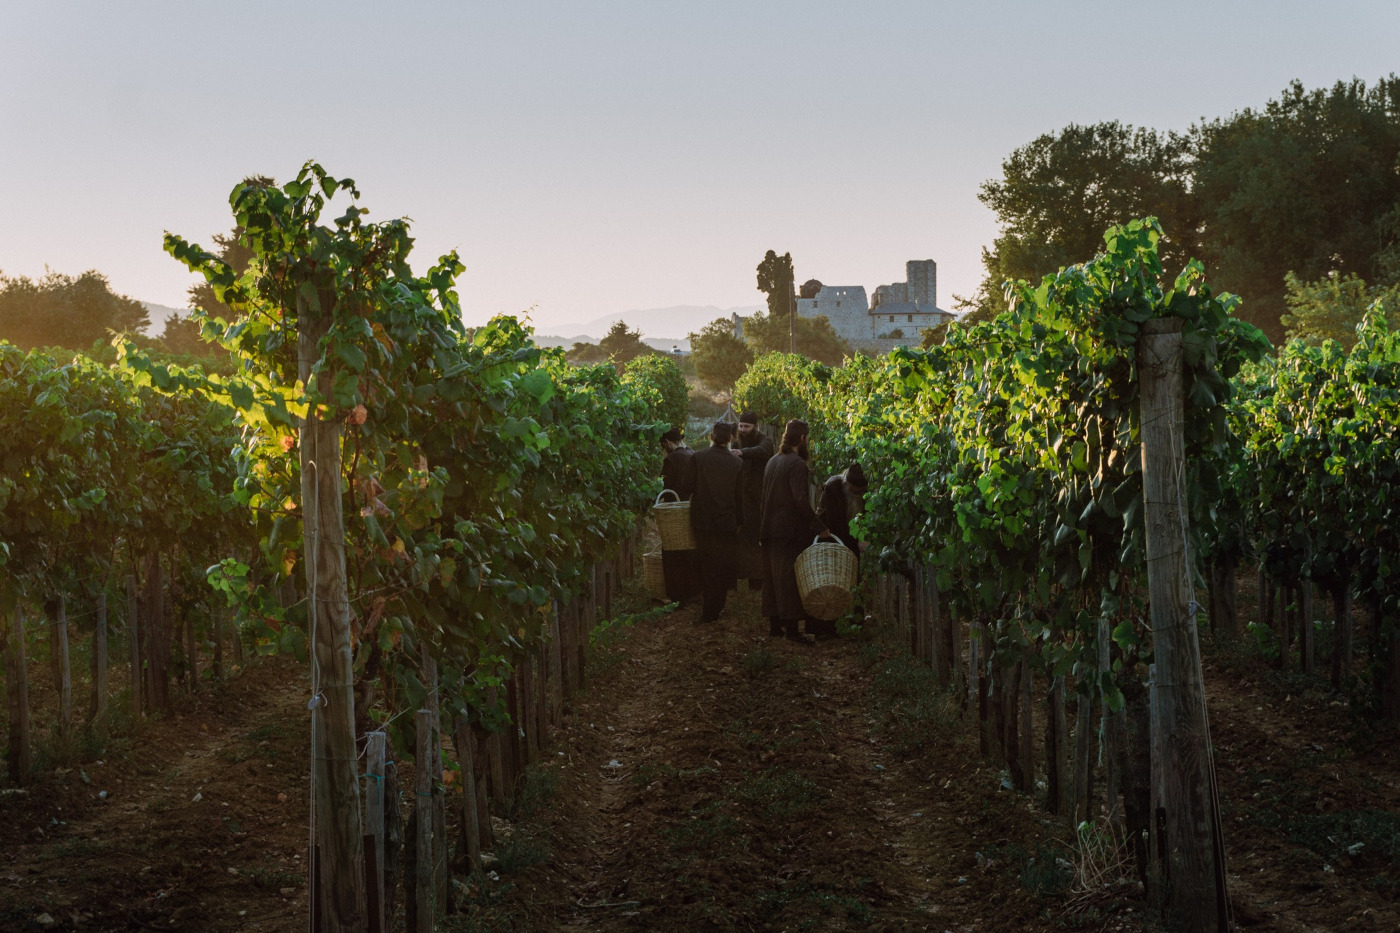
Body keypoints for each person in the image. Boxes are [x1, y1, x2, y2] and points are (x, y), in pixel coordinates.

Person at [758, 420, 832, 642]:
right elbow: (800, 500)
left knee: (772, 578)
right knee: (789, 579)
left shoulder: (773, 461)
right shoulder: (797, 464)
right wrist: (819, 527)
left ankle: (774, 626)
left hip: (769, 528)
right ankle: (791, 630)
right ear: (802, 439)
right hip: (787, 530)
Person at [690, 421, 744, 622]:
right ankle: (716, 606)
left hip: (701, 521)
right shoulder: (737, 463)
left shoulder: (698, 457)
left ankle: (707, 606)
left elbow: (689, 486)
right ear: (730, 439)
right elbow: (739, 498)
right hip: (725, 523)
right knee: (721, 565)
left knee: (705, 562)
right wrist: (740, 522)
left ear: (711, 437)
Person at [817, 463, 869, 625]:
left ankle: (856, 621)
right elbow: (834, 522)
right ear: (847, 485)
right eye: (855, 491)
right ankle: (829, 623)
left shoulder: (863, 493)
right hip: (831, 539)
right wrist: (855, 539)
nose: (859, 494)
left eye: (861, 492)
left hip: (851, 538)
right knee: (833, 580)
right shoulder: (833, 487)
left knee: (854, 578)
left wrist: (863, 536)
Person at [730, 412, 774, 590]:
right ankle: (743, 574)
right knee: (742, 539)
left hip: (760, 501)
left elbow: (763, 451)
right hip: (741, 500)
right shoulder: (736, 442)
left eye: (746, 426)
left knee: (758, 539)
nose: (743, 429)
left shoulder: (765, 441)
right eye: (741, 426)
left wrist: (742, 452)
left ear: (756, 427)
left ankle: (757, 579)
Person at [659, 428, 698, 602]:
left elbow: (667, 490)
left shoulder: (671, 459)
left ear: (667, 442)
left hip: (675, 511)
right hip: (692, 508)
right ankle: (693, 590)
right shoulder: (692, 454)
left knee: (672, 551)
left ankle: (677, 594)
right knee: (690, 549)